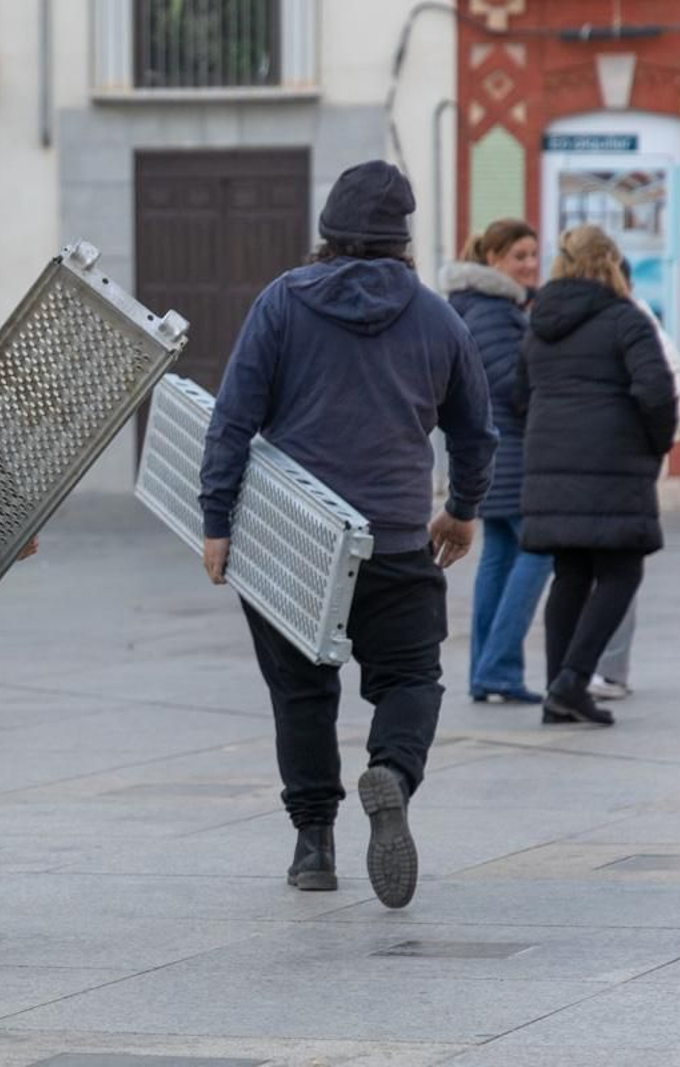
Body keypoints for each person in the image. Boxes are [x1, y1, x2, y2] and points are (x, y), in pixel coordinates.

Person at [200, 160, 497, 909]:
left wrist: (215, 520)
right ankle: (391, 774)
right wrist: (461, 509)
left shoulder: (280, 303)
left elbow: (233, 416)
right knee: (408, 679)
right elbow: (476, 431)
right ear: (403, 237)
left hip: (293, 541)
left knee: (301, 692)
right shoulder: (439, 317)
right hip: (396, 536)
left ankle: (313, 847)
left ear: (327, 230)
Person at [515, 225, 677, 727]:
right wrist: (654, 446)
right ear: (610, 263)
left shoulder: (537, 323)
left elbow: (519, 396)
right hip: (614, 463)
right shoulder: (625, 319)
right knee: (622, 570)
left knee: (571, 572)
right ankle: (572, 681)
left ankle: (557, 693)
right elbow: (656, 393)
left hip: (551, 465)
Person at [443, 219, 549, 704]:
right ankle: (499, 669)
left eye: (533, 255)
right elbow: (512, 387)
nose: (530, 264)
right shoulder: (496, 312)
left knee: (501, 554)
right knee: (539, 550)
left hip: (493, 453)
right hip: (515, 451)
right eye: (519, 256)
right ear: (493, 260)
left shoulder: (477, 306)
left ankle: (485, 672)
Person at [590, 257, 680, 701]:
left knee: (616, 568)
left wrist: (648, 448)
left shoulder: (642, 326)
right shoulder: (581, 324)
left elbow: (678, 399)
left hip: (627, 468)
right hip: (585, 468)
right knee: (586, 569)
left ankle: (610, 669)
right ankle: (579, 667)